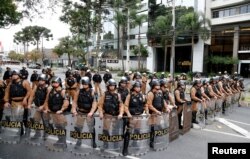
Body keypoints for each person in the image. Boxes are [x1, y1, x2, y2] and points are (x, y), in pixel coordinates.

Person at [71, 76, 97, 148]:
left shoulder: (92, 91)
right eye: (83, 84)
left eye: (86, 84)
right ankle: (79, 141)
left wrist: (91, 112)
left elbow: (95, 103)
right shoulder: (79, 91)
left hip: (89, 113)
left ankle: (93, 141)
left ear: (89, 83)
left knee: (91, 128)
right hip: (80, 112)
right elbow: (74, 101)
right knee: (78, 128)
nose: (84, 85)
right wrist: (73, 109)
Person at [43, 76, 69, 149]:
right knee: (57, 127)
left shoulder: (63, 91)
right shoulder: (50, 90)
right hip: (52, 112)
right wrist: (46, 108)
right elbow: (47, 100)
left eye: (56, 82)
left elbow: (66, 101)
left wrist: (62, 109)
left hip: (59, 113)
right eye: (53, 82)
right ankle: (59, 140)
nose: (54, 84)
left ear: (59, 83)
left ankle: (63, 143)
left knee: (61, 127)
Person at [4, 69, 31, 135]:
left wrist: (25, 99)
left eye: (15, 74)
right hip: (14, 102)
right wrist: (6, 101)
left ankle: (27, 130)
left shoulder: (24, 82)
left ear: (19, 75)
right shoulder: (11, 83)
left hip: (22, 102)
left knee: (24, 118)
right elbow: (7, 92)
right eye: (12, 75)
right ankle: (20, 130)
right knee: (17, 118)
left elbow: (29, 91)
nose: (13, 76)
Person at [98, 79, 124, 149]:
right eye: (110, 86)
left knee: (116, 130)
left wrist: (121, 113)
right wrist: (100, 112)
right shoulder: (104, 94)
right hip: (107, 115)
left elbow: (121, 105)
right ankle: (105, 143)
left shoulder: (118, 95)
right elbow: (100, 105)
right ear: (108, 86)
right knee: (105, 130)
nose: (112, 87)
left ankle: (115, 142)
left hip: (116, 115)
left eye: (113, 86)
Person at [123, 81, 146, 156]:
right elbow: (125, 106)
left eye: (139, 87)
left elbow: (145, 104)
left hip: (139, 116)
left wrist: (146, 111)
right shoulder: (129, 96)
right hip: (132, 116)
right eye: (136, 87)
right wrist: (129, 114)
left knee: (137, 131)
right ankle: (125, 148)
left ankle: (135, 144)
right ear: (133, 88)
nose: (138, 88)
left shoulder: (142, 95)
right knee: (129, 132)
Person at [146, 79, 172, 148]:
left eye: (158, 87)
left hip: (159, 112)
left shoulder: (160, 92)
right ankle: (151, 141)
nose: (157, 90)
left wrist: (166, 108)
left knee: (158, 127)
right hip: (153, 113)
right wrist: (156, 111)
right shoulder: (150, 94)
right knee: (152, 127)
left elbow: (163, 101)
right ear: (153, 87)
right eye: (156, 88)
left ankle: (155, 139)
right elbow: (149, 105)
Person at [27, 74, 49, 139]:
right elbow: (32, 96)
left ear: (45, 81)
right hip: (38, 107)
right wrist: (29, 104)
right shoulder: (36, 87)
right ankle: (37, 133)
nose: (40, 81)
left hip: (45, 107)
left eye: (42, 80)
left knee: (45, 122)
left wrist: (43, 106)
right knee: (35, 120)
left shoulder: (48, 88)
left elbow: (48, 99)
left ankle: (46, 134)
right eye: (39, 80)